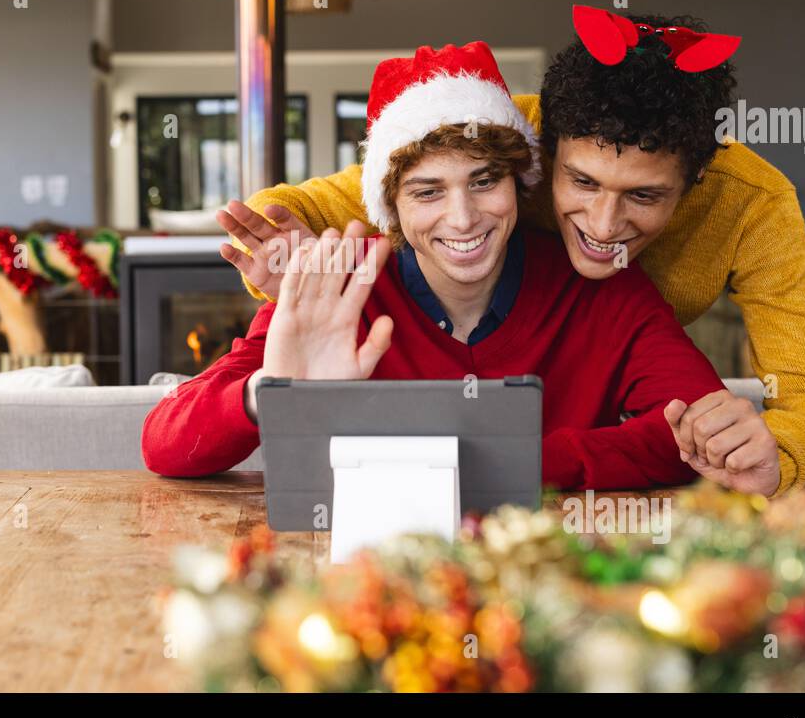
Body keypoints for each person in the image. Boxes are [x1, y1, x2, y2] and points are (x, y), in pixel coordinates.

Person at [216, 7, 805, 497]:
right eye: (581, 182)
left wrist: (776, 450)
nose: (605, 225)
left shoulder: (752, 202)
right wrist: (286, 260)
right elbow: (314, 203)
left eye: (644, 194)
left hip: (618, 390)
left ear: (694, 183)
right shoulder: (493, 145)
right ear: (542, 155)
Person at [144, 41, 742, 491]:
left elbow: (693, 433)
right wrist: (269, 394)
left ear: (519, 185)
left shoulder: (604, 290)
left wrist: (485, 460)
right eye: (428, 192)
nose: (462, 219)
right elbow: (164, 444)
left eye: (484, 182)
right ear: (392, 210)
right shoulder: (338, 291)